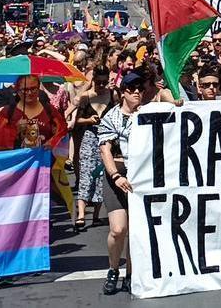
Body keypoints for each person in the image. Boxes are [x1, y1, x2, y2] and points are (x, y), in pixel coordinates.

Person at [97, 72, 144, 294]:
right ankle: (113, 269)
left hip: (141, 175)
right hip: (117, 174)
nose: (137, 92)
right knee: (118, 229)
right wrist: (116, 175)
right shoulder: (110, 117)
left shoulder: (147, 114)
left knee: (135, 230)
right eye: (132, 88)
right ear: (122, 92)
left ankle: (131, 274)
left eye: (140, 88)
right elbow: (105, 150)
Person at [72, 64, 111, 231]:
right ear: (93, 80)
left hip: (106, 139)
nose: (101, 86)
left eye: (104, 82)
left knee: (101, 176)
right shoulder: (86, 97)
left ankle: (96, 216)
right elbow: (77, 121)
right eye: (98, 82)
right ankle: (81, 214)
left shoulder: (112, 95)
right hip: (89, 137)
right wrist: (89, 120)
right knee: (86, 174)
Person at [0, 75, 68, 151]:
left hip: (37, 149)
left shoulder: (41, 95)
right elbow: (2, 115)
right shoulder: (2, 93)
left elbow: (57, 123)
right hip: (10, 149)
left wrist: (52, 141)